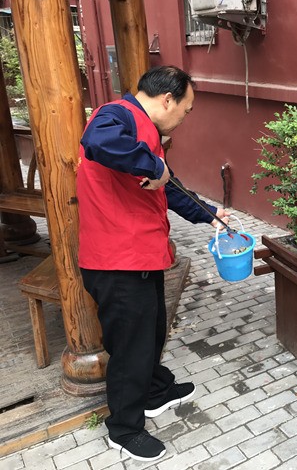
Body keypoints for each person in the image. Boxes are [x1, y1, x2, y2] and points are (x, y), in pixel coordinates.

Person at [76, 66, 229, 462]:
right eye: (186, 110)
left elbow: (170, 189)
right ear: (167, 99)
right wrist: (153, 166)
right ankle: (124, 429)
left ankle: (155, 391)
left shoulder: (147, 134)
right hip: (116, 262)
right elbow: (97, 140)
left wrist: (210, 215)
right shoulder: (117, 116)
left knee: (151, 329)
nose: (185, 118)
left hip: (141, 257)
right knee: (130, 346)